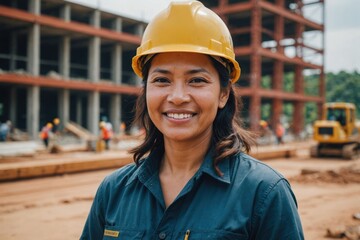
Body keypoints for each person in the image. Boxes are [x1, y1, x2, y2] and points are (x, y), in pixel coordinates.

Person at [81, 1, 304, 239]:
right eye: (161, 80)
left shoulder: (264, 193)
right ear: (145, 90)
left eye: (196, 80)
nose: (177, 97)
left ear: (223, 94)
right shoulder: (113, 191)